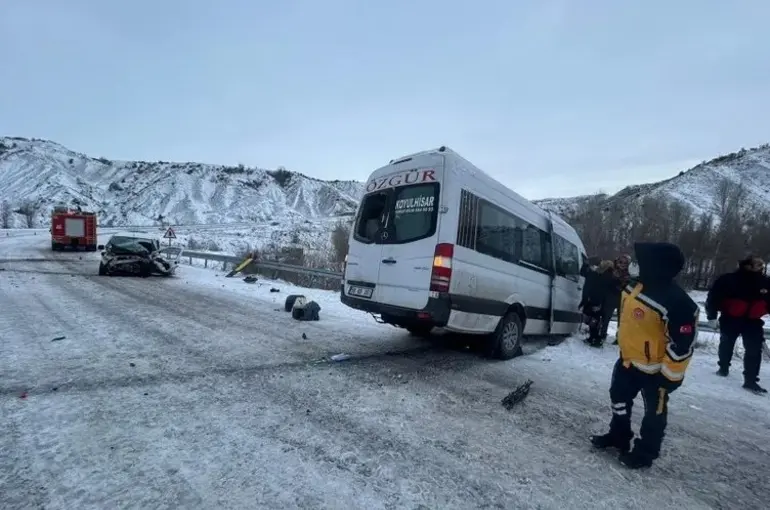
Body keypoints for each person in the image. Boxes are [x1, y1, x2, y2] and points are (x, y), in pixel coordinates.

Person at [590, 242, 699, 469]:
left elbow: (683, 344)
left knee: (654, 414)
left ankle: (645, 453)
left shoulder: (679, 302)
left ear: (656, 265)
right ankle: (619, 435)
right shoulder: (634, 286)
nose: (636, 264)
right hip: (628, 361)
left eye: (641, 261)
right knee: (618, 399)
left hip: (655, 371)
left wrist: (669, 377)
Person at [705, 255, 769, 394]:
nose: (762, 267)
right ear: (748, 266)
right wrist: (711, 316)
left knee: (754, 349)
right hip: (731, 318)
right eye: (758, 265)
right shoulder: (729, 280)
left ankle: (750, 380)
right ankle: (723, 367)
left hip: (753, 321)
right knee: (727, 343)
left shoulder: (765, 282)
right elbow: (713, 297)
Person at [579, 259, 616, 347]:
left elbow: (601, 289)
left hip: (597, 301)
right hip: (598, 301)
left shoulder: (604, 275)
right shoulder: (605, 275)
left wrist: (598, 303)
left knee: (594, 320)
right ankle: (595, 339)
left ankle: (595, 339)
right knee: (594, 320)